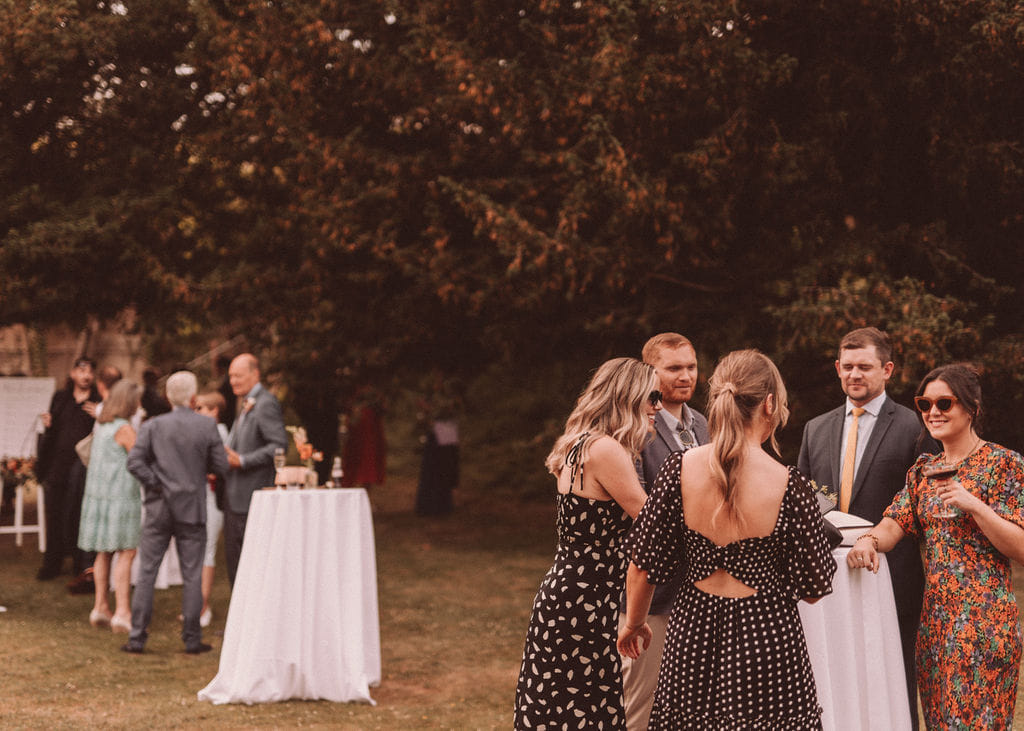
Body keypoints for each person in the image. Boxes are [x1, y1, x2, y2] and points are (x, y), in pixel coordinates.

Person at [619, 349, 836, 729]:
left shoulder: (679, 469)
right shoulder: (791, 485)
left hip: (693, 629)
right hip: (767, 635)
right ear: (769, 404)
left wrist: (634, 623)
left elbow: (643, 565)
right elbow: (815, 587)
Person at [847, 363, 1024, 729]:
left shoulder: (1003, 464)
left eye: (944, 403)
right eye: (924, 404)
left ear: (971, 407)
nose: (933, 413)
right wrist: (867, 540)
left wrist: (974, 505)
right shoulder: (923, 470)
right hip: (937, 629)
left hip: (985, 627)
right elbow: (893, 525)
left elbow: (1020, 546)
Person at [797, 326, 936, 727]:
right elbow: (806, 501)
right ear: (837, 368)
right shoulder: (815, 428)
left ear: (887, 369)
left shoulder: (915, 427)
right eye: (848, 367)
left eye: (865, 367)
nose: (855, 374)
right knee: (834, 676)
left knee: (893, 679)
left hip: (893, 577)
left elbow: (920, 508)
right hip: (827, 579)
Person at [514, 357, 659, 729]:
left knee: (563, 711)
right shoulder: (606, 450)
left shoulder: (580, 444)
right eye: (652, 396)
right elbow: (653, 523)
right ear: (629, 397)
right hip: (586, 603)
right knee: (585, 712)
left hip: (572, 594)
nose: (658, 406)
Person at [619, 332, 709, 730]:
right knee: (641, 703)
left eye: (690, 366)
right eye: (674, 368)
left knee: (689, 704)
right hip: (654, 590)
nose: (685, 376)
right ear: (650, 373)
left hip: (701, 588)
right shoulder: (637, 430)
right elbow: (638, 515)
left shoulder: (704, 424)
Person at [123, 371, 229, 654]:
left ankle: (137, 638)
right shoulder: (206, 427)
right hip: (192, 507)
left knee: (147, 572)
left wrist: (156, 483)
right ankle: (192, 639)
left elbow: (134, 462)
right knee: (193, 573)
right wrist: (196, 470)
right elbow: (221, 466)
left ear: (168, 397)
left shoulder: (153, 426)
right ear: (193, 398)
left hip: (159, 507)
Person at [76, 380, 143, 633]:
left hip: (98, 496)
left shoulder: (101, 425)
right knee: (127, 552)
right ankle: (123, 612)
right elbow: (140, 459)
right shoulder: (124, 428)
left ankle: (100, 606)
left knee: (103, 552)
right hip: (121, 498)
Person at [223, 353, 287, 586]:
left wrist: (243, 460)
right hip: (235, 494)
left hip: (251, 494)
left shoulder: (265, 402)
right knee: (236, 563)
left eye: (238, 375)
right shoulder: (246, 402)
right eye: (230, 376)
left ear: (255, 374)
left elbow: (279, 445)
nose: (233, 381)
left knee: (247, 566)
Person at [35, 357, 100, 580]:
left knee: (79, 515)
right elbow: (52, 432)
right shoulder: (61, 398)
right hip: (58, 466)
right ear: (72, 373)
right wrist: (48, 426)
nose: (86, 375)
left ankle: (80, 563)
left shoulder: (97, 401)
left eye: (90, 371)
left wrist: (99, 416)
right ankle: (52, 564)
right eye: (82, 370)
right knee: (54, 515)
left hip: (83, 468)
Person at [67, 363, 125, 596]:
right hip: (100, 476)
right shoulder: (114, 414)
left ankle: (95, 578)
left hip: (103, 478)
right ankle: (90, 573)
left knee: (103, 534)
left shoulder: (110, 413)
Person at [193, 390, 228, 627]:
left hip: (213, 497)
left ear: (214, 411)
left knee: (207, 549)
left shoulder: (221, 433)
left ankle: (203, 604)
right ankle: (193, 603)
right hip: (196, 496)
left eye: (201, 409)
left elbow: (220, 466)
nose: (197, 413)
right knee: (194, 549)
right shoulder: (197, 432)